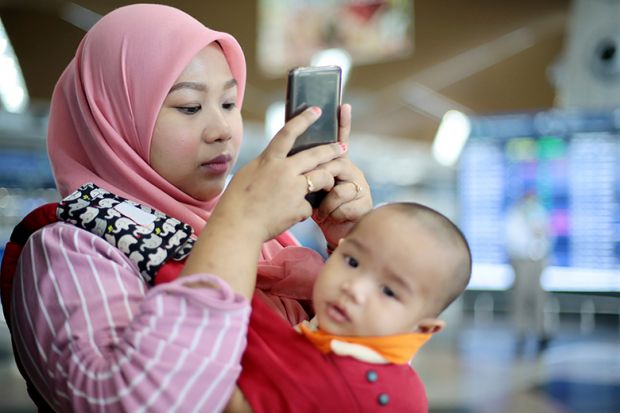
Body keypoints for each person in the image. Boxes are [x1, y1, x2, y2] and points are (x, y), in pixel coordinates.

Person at [2, 4, 372, 412]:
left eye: (229, 104)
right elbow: (125, 404)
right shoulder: (70, 250)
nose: (222, 131)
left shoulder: (273, 245)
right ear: (114, 118)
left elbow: (371, 381)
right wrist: (238, 228)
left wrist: (355, 248)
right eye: (190, 107)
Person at [219, 202, 472, 412]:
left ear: (422, 328)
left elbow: (229, 402)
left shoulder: (344, 385)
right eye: (352, 261)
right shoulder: (343, 341)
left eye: (388, 291)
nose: (353, 288)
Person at [505, 191, 553, 355]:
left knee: (538, 298)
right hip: (522, 260)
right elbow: (513, 239)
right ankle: (521, 332)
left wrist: (540, 235)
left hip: (537, 260)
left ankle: (542, 332)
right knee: (521, 297)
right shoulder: (515, 216)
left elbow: (548, 236)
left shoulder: (540, 214)